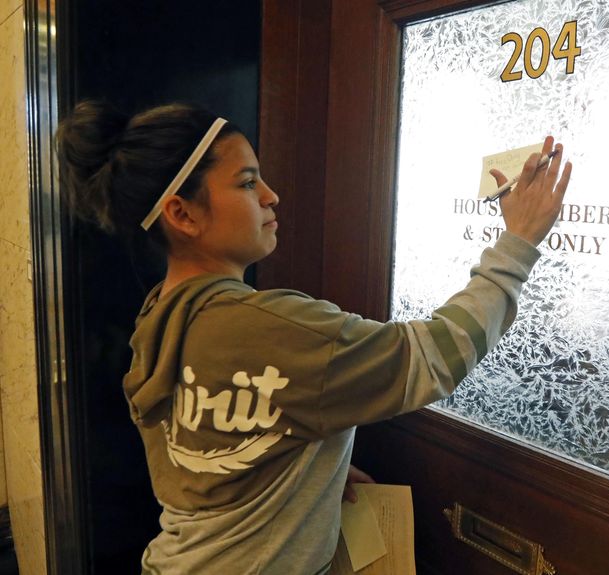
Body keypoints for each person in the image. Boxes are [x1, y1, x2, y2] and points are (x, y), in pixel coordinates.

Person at [56, 100, 572, 575]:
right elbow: (435, 356)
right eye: (246, 183)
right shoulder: (267, 326)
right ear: (182, 213)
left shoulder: (161, 314)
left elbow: (207, 445)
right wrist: (518, 243)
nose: (270, 195)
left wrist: (300, 467)